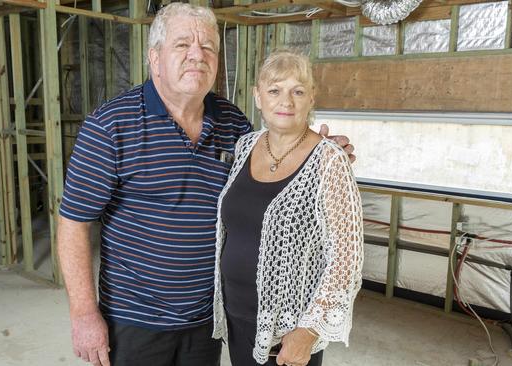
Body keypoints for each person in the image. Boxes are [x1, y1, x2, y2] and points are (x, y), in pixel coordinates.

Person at [57, 4, 355, 366]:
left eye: (209, 47)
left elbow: (278, 159)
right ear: (155, 58)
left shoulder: (234, 125)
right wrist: (84, 313)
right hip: (136, 322)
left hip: (208, 322)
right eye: (182, 45)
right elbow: (73, 223)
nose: (197, 56)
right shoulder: (110, 127)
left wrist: (321, 151)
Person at [212, 49, 364, 366]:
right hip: (237, 315)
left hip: (289, 329)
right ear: (258, 97)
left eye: (298, 91)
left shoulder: (329, 160)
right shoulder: (245, 146)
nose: (286, 101)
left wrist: (308, 332)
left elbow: (345, 261)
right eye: (275, 90)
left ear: (311, 98)